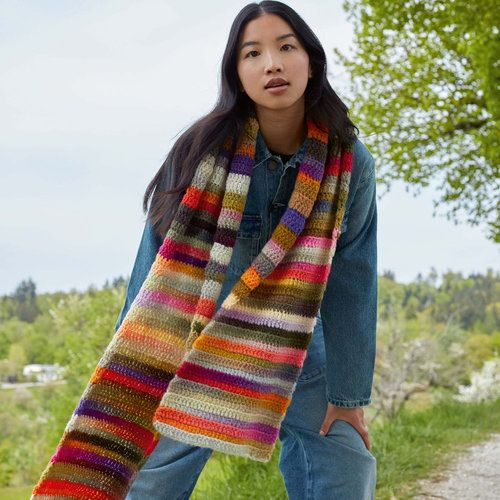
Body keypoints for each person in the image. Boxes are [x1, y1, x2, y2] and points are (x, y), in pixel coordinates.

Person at [32, 1, 377, 499]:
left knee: (347, 458)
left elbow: (354, 274)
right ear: (237, 74)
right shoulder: (200, 151)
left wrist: (348, 397)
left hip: (293, 339)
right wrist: (128, 367)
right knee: (150, 478)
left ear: (311, 60)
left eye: (286, 47)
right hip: (194, 333)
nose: (272, 64)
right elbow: (152, 268)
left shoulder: (349, 162)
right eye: (252, 53)